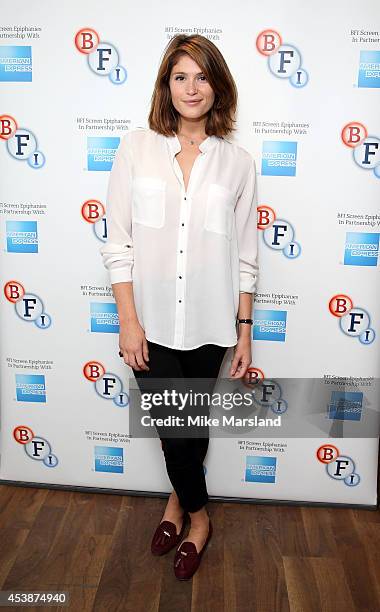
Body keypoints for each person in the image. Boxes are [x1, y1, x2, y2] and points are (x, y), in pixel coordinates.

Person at [99, 33, 259, 580]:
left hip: (213, 322)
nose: (192, 87)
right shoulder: (135, 148)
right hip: (152, 323)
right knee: (174, 425)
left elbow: (246, 255)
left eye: (202, 76)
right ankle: (199, 518)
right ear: (166, 87)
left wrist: (243, 330)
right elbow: (117, 242)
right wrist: (128, 322)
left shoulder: (237, 163)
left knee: (191, 425)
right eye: (180, 76)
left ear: (219, 86)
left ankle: (175, 503)